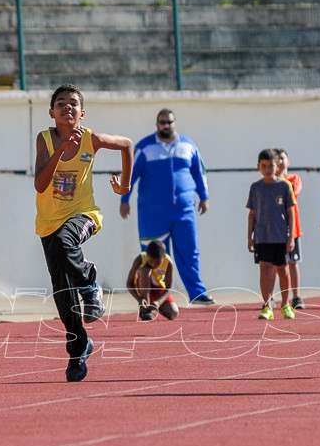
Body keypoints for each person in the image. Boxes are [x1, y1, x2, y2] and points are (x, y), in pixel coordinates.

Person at [36, 83, 132, 382]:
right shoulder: (45, 140)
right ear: (51, 112)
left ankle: (89, 282)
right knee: (63, 294)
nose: (67, 107)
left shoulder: (92, 139)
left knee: (67, 243)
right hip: (48, 222)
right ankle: (79, 349)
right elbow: (40, 185)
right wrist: (61, 153)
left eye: (73, 103)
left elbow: (128, 145)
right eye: (61, 103)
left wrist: (125, 187)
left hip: (83, 214)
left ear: (82, 112)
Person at [119, 109, 214, 305]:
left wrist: (204, 197)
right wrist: (124, 200)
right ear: (157, 124)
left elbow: (200, 172)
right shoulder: (145, 148)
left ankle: (197, 293)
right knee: (152, 257)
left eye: (169, 122)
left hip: (184, 210)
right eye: (162, 122)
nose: (166, 126)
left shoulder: (188, 145)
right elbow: (129, 174)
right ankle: (152, 297)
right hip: (153, 212)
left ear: (175, 123)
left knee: (190, 252)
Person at [247, 148, 296, 320]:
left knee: (283, 270)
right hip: (262, 236)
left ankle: (285, 304)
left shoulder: (284, 186)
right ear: (259, 166)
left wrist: (291, 237)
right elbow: (252, 213)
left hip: (281, 236)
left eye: (271, 166)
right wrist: (249, 237)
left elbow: (290, 212)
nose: (268, 169)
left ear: (277, 166)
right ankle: (267, 305)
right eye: (264, 166)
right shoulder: (256, 187)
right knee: (264, 269)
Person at [274, 148, 305, 309]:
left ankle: (296, 296)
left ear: (288, 161)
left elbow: (292, 193)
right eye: (277, 159)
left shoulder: (294, 179)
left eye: (283, 158)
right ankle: (272, 297)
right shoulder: (270, 182)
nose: (280, 162)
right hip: (274, 230)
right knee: (274, 264)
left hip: (292, 229)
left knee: (293, 263)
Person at [126, 239, 179, 321]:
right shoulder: (140, 259)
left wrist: (158, 302)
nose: (153, 264)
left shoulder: (168, 263)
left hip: (157, 288)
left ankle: (153, 307)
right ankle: (145, 309)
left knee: (173, 313)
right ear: (147, 255)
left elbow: (168, 288)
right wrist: (139, 299)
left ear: (163, 257)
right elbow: (129, 283)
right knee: (145, 270)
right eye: (150, 261)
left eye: (157, 262)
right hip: (142, 286)